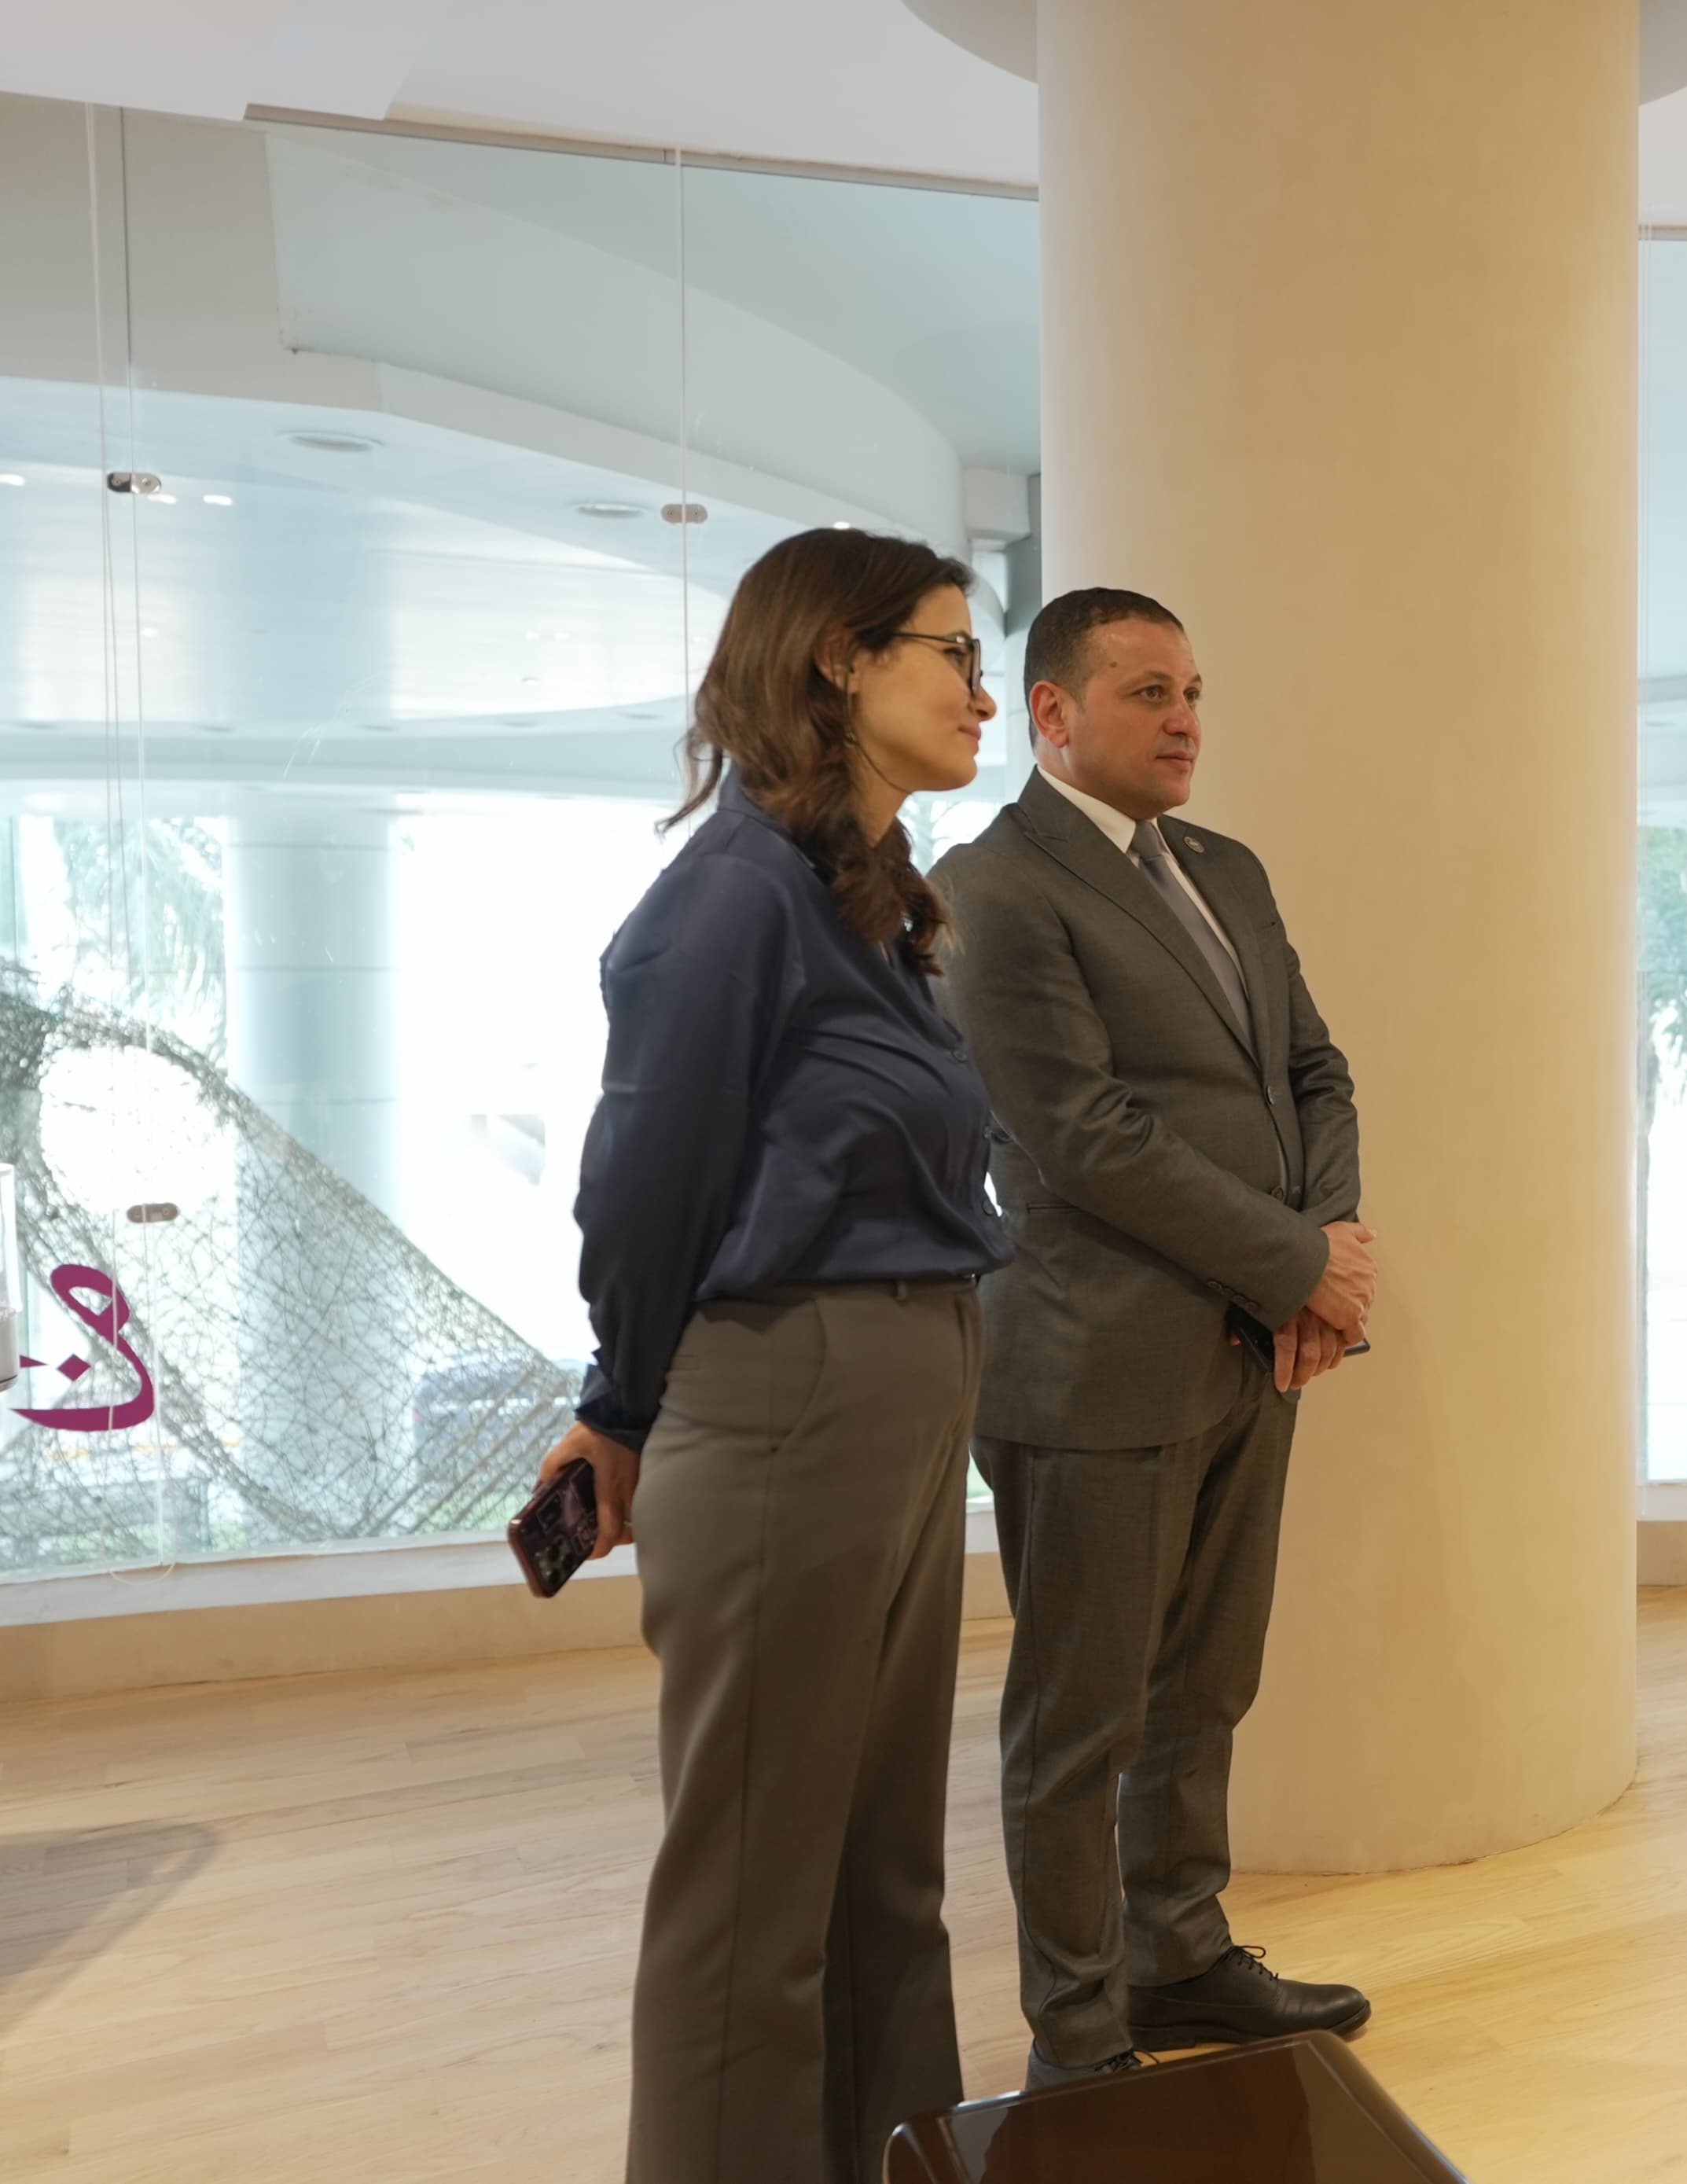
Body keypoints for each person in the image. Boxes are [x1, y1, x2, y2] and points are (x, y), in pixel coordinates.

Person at [537, 528, 1012, 2184]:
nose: (982, 692)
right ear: (838, 658)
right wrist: (617, 1408)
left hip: (901, 1389)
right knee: (751, 1894)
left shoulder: (858, 898)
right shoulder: (732, 900)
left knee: (885, 1877)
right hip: (792, 1390)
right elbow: (642, 1188)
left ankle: (899, 2161)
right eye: (953, 653)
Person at [931, 586, 1375, 2089]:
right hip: (1090, 1366)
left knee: (1206, 1685)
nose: (1186, 720)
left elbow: (1316, 1071)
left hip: (1250, 1349)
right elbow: (1084, 1137)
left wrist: (1321, 1256)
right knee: (1082, 1721)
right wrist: (1300, 1264)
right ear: (1051, 714)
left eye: (1194, 692)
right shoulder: (992, 889)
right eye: (1148, 693)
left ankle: (1176, 1954)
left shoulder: (1226, 869)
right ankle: (1077, 2033)